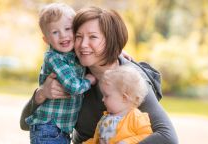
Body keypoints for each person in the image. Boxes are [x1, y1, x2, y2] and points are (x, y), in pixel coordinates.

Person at [20, 6, 178, 144]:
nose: (82, 44)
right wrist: (40, 94)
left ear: (110, 41)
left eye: (93, 37)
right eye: (78, 36)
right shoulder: (72, 71)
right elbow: (25, 124)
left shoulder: (129, 79)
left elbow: (167, 138)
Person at [25, 3, 96, 144]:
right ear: (46, 39)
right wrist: (89, 80)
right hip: (48, 129)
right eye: (55, 32)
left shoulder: (73, 53)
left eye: (68, 28)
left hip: (60, 130)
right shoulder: (54, 57)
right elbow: (73, 86)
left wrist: (115, 51)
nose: (63, 35)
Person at [84, 65, 153, 144]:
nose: (102, 99)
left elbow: (147, 135)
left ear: (124, 97)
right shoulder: (105, 118)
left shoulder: (136, 117)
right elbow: (96, 140)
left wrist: (126, 142)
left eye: (106, 96)